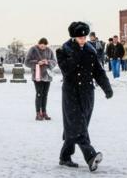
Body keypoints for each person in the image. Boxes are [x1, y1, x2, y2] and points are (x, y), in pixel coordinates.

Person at [56, 21, 113, 172]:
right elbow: (66, 69)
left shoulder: (90, 50)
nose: (83, 40)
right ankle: (90, 156)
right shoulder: (63, 50)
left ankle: (65, 156)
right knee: (78, 125)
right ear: (74, 37)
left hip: (87, 93)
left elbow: (98, 72)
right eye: (80, 37)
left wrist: (107, 88)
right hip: (71, 93)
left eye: (85, 37)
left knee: (78, 125)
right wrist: (76, 53)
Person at [25, 38, 57, 121]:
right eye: (41, 45)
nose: (43, 47)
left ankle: (44, 112)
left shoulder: (49, 50)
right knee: (39, 94)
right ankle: (38, 113)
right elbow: (26, 62)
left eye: (44, 45)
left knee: (45, 95)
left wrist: (47, 62)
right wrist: (37, 62)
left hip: (47, 76)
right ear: (38, 44)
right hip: (37, 75)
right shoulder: (33, 49)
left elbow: (54, 61)